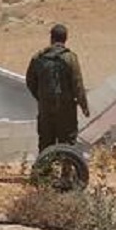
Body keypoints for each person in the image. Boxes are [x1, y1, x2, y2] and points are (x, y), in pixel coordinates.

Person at [25, 24, 89, 152]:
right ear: (65, 39)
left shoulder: (38, 57)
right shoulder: (70, 58)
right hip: (66, 109)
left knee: (46, 143)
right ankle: (65, 165)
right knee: (67, 145)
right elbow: (77, 84)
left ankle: (46, 165)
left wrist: (41, 97)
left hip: (45, 109)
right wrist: (84, 107)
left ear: (51, 38)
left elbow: (30, 81)